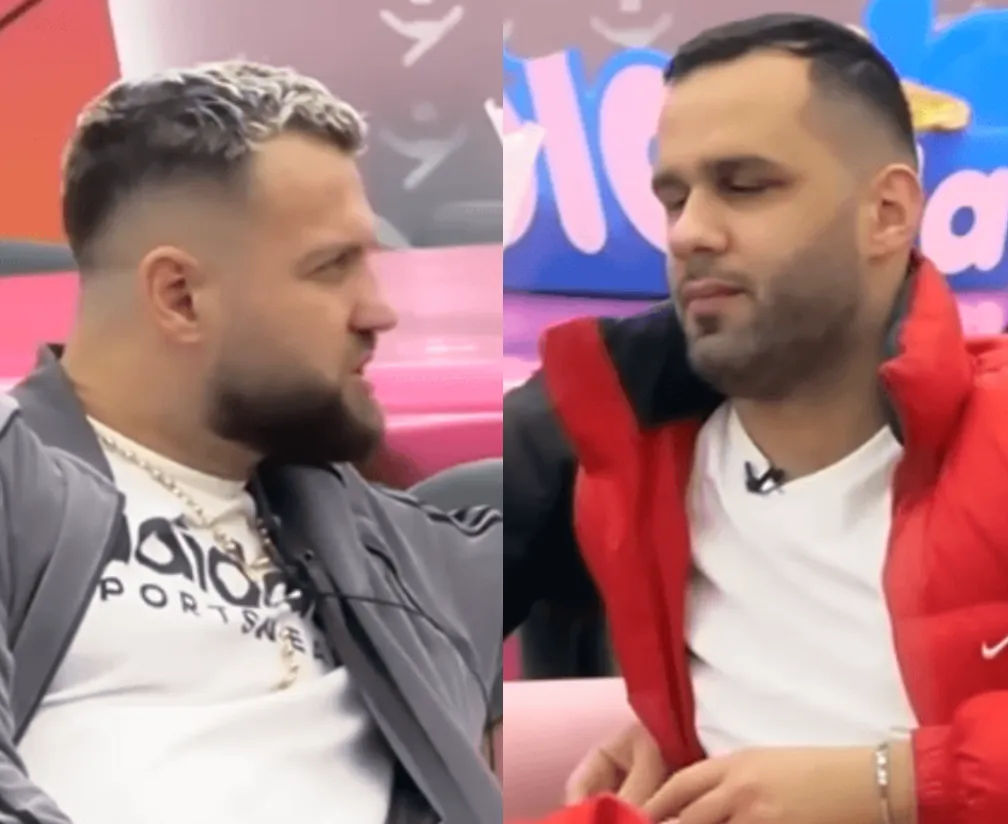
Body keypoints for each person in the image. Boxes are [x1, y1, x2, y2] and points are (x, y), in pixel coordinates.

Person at [505, 13, 1008, 824]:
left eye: (744, 185)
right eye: (674, 196)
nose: (689, 232)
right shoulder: (619, 445)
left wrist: (895, 785)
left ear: (887, 212)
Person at [4, 61, 501, 824]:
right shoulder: (17, 487)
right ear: (180, 296)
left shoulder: (393, 547)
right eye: (331, 268)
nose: (378, 312)